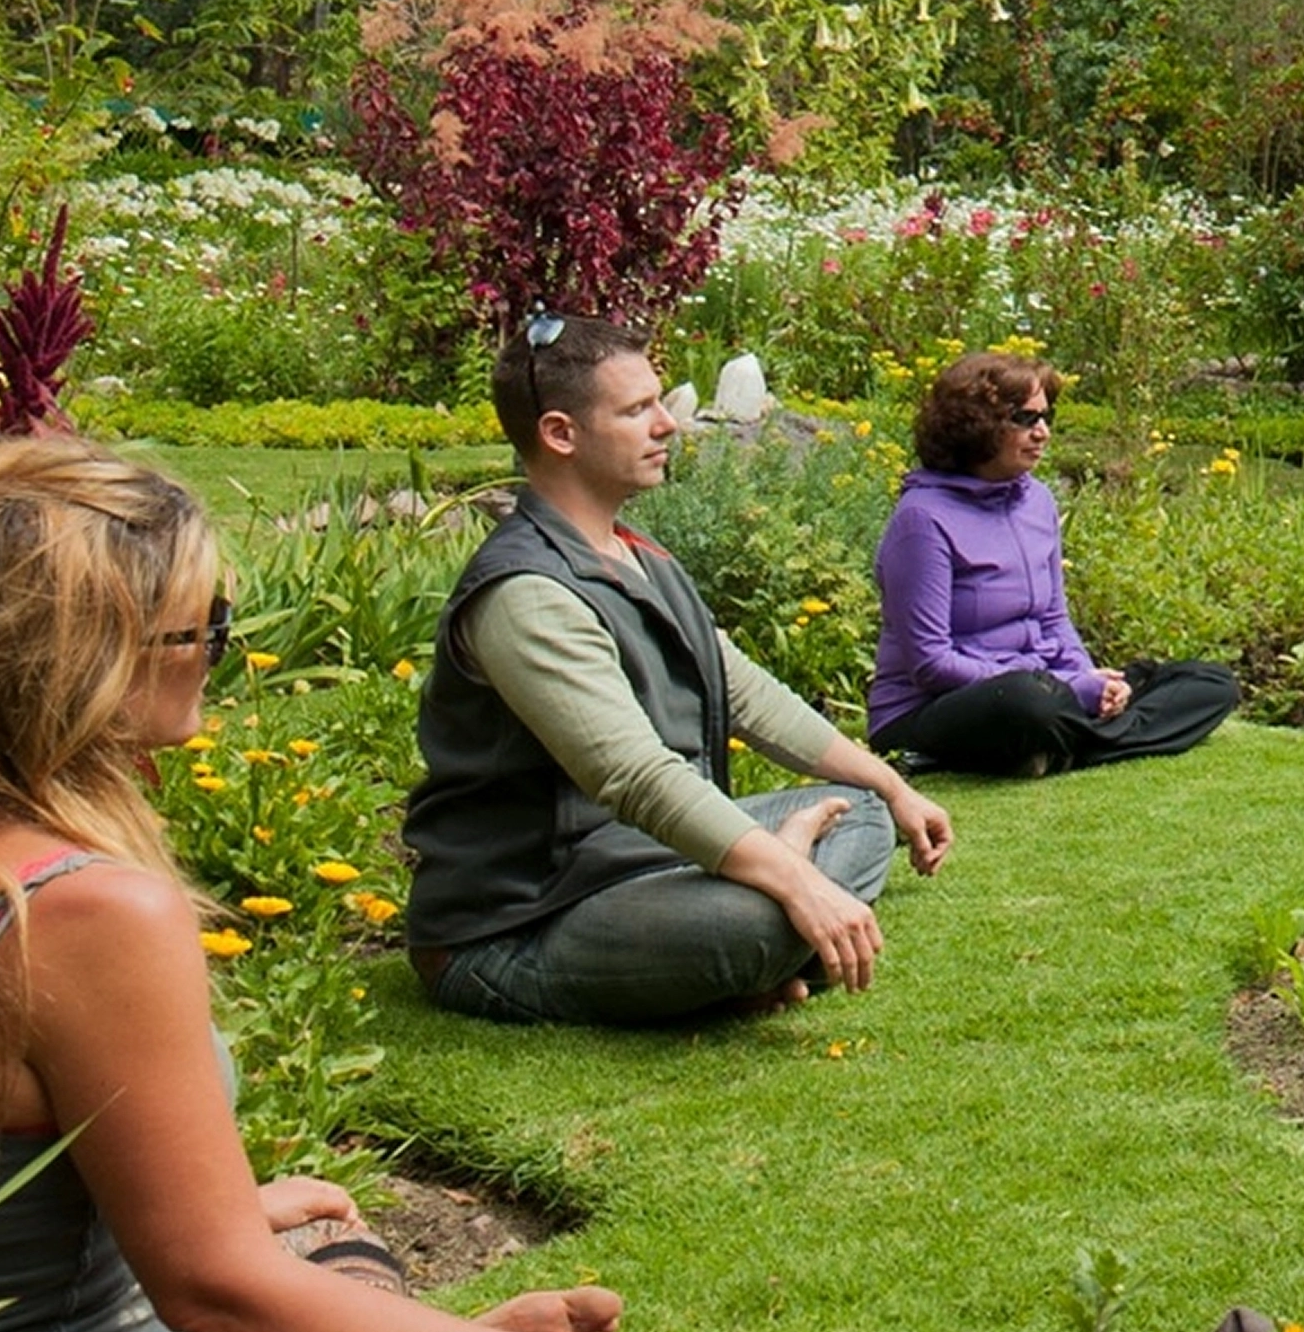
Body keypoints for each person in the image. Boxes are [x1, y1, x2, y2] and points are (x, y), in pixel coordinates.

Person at [0, 435, 720, 1332]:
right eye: (201, 628)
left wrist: (247, 1234)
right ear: (85, 655)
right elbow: (217, 1291)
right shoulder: (81, 911)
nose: (221, 649)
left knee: (324, 1236)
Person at [407, 311, 958, 1027]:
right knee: (760, 924)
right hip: (525, 920)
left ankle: (741, 939)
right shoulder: (528, 594)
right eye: (638, 409)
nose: (667, 423)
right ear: (560, 434)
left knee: (867, 815)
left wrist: (890, 781)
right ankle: (750, 940)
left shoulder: (636, 552)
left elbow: (744, 692)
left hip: (638, 864)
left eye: (659, 401)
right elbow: (634, 775)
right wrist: (787, 873)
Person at [867, 349, 1242, 777]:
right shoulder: (922, 519)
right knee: (1029, 702)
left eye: (1048, 417)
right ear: (976, 426)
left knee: (1211, 683)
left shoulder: (1037, 501)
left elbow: (1054, 618)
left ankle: (1057, 747)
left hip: (1044, 688)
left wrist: (1088, 680)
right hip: (940, 706)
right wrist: (1063, 686)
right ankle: (1064, 736)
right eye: (1026, 419)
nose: (1042, 432)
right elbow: (932, 664)